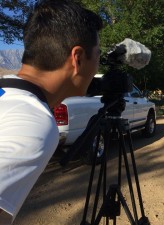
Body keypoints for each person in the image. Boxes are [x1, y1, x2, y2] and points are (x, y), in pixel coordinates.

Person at [0, 0, 102, 224]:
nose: (98, 66)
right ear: (77, 59)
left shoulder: (9, 97)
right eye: (98, 56)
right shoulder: (32, 123)